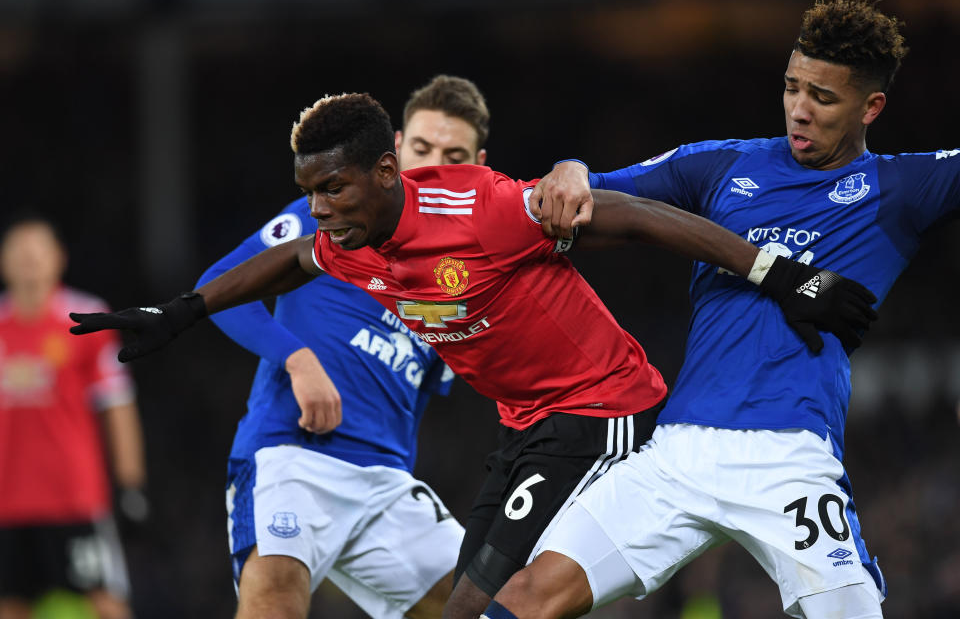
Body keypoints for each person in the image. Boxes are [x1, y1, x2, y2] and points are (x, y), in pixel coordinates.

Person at [67, 91, 876, 619]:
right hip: (525, 431)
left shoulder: (477, 208)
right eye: (309, 192)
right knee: (481, 606)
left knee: (493, 608)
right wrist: (182, 311)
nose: (319, 210)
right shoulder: (350, 239)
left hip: (602, 410)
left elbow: (629, 215)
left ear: (389, 173)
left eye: (333, 191)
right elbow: (287, 259)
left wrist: (778, 274)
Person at [486, 0, 954, 619]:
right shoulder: (724, 165)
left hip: (789, 455)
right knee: (527, 598)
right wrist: (570, 166)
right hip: (678, 452)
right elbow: (584, 196)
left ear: (872, 107)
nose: (799, 110)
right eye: (792, 88)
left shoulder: (902, 189)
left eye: (823, 97)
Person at [195, 75, 488, 619]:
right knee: (274, 600)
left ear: (477, 165)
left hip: (386, 483)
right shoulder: (330, 211)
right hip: (294, 455)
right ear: (395, 151)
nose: (433, 163)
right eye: (422, 148)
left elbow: (426, 391)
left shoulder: (465, 274)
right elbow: (220, 288)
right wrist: (298, 359)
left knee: (491, 607)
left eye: (454, 155)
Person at [0, 215, 147, 619]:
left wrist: (130, 483)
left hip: (73, 498)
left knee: (105, 602)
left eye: (37, 251)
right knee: (10, 607)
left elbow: (117, 405)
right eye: (18, 252)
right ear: (4, 262)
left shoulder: (86, 319)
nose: (28, 260)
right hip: (7, 502)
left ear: (58, 258)